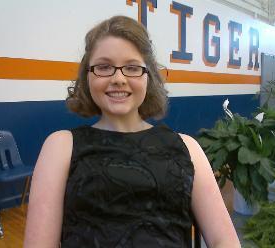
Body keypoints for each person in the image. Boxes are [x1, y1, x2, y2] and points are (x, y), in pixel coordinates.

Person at [24, 16, 240, 247]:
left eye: (132, 67)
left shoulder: (187, 148)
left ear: (149, 77)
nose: (118, 78)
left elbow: (223, 240)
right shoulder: (61, 147)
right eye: (104, 67)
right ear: (87, 76)